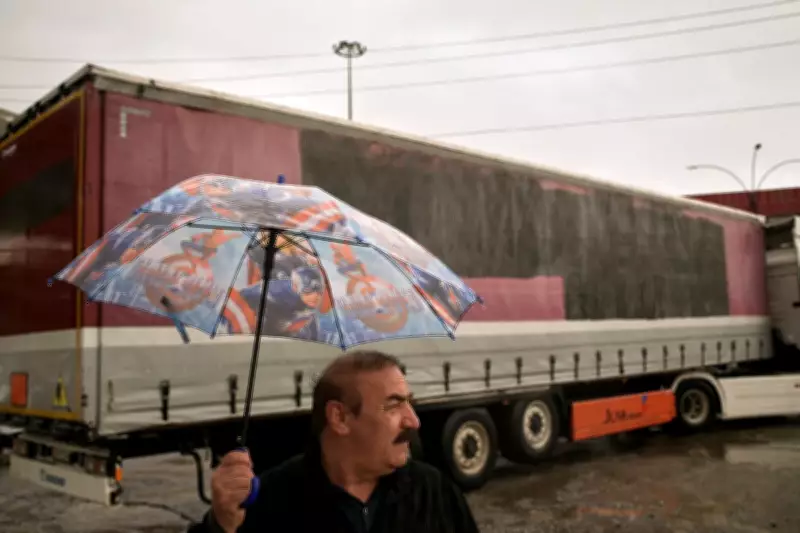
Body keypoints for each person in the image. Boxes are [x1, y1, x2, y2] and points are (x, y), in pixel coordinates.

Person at [188, 350, 480, 533]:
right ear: (339, 417)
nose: (413, 421)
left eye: (410, 403)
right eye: (393, 405)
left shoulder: (433, 492)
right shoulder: (273, 500)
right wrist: (221, 525)